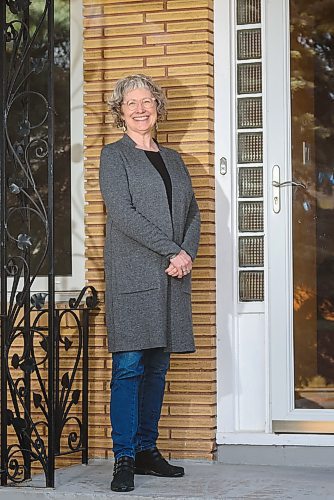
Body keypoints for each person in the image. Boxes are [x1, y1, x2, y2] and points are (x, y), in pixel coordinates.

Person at [99, 74, 201, 493]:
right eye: (131, 103)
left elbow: (192, 211)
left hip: (171, 278)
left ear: (158, 107)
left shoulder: (174, 159)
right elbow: (121, 212)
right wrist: (171, 251)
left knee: (157, 366)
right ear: (120, 111)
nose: (140, 109)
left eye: (147, 101)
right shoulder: (113, 155)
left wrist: (187, 253)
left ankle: (146, 450)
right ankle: (123, 456)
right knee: (128, 367)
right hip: (134, 276)